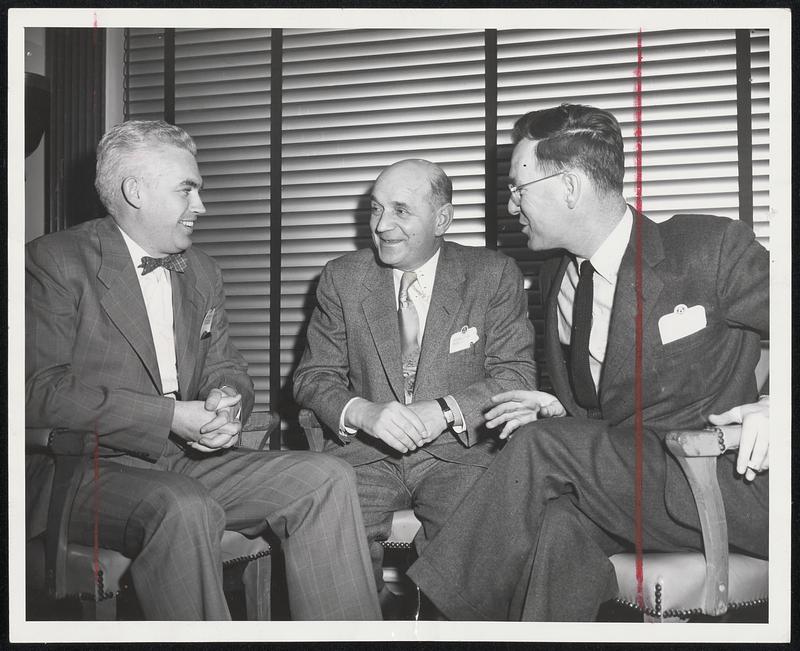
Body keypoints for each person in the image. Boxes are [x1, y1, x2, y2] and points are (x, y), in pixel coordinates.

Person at [407, 103, 769, 621]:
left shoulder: (708, 248)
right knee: (558, 528)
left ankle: (434, 619)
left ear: (569, 187)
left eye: (518, 188)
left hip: (719, 481)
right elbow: (616, 403)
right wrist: (562, 413)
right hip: (628, 485)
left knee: (539, 449)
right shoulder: (558, 276)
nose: (510, 206)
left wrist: (779, 408)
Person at [25, 120, 381, 621]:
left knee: (327, 476)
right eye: (187, 190)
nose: (201, 207)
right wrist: (168, 416)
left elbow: (228, 366)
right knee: (183, 505)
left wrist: (225, 401)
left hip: (184, 464)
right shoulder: (54, 262)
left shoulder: (202, 271)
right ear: (136, 191)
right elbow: (37, 391)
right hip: (82, 470)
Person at [293, 159, 537, 613]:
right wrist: (364, 412)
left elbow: (516, 377)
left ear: (442, 219)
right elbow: (313, 377)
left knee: (470, 570)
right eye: (375, 209)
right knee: (325, 546)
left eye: (401, 211)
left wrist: (442, 410)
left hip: (460, 455)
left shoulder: (492, 274)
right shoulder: (342, 278)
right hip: (363, 456)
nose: (382, 225)